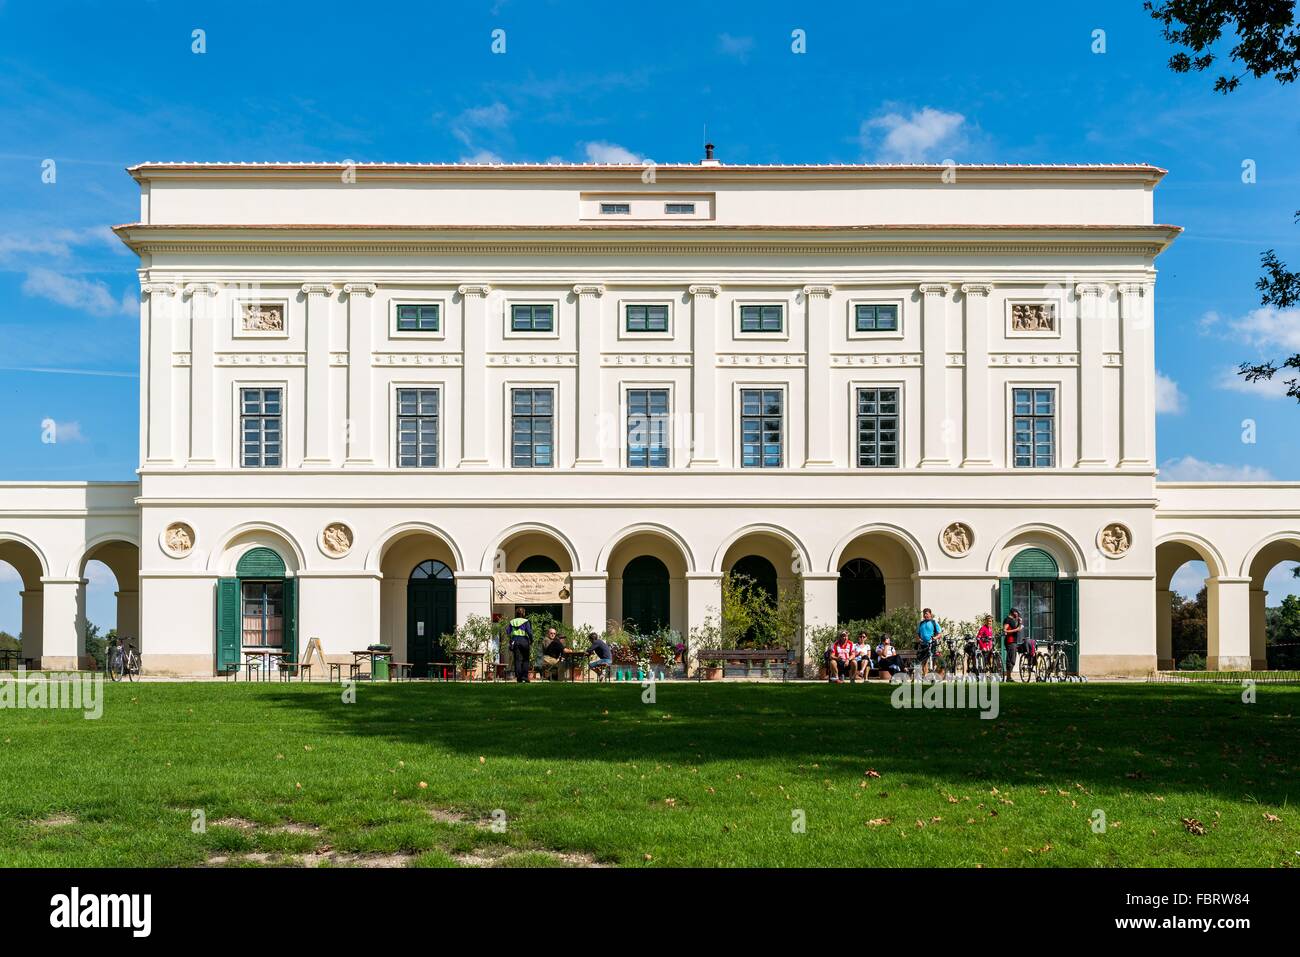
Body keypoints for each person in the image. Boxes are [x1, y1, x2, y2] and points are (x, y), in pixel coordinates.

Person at [507, 607, 533, 683]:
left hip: (515, 641)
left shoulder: (512, 622)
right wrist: (531, 640)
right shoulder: (526, 621)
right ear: (523, 613)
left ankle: (519, 678)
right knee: (525, 659)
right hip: (524, 641)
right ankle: (525, 676)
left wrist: (511, 639)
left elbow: (508, 632)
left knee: (517, 660)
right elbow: (529, 632)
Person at [916, 608, 943, 677]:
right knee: (924, 661)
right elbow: (917, 634)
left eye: (926, 614)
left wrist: (935, 638)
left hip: (932, 644)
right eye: (924, 614)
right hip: (923, 644)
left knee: (932, 659)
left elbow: (939, 634)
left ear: (930, 614)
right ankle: (925, 675)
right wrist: (919, 639)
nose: (925, 615)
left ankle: (934, 672)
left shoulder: (934, 622)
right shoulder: (921, 623)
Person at [1002, 608, 1023, 680]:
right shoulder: (1008, 620)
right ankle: (1008, 677)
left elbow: (1018, 628)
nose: (1017, 614)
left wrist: (1019, 623)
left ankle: (1009, 677)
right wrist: (1016, 629)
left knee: (1012, 660)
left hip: (1013, 642)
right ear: (1013, 612)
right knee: (1011, 660)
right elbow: (1005, 630)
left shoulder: (1012, 620)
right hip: (1010, 641)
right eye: (1016, 613)